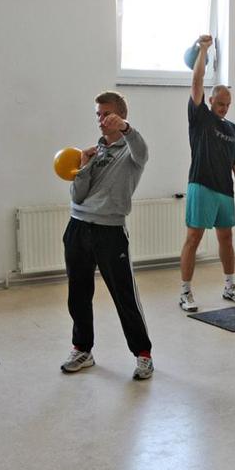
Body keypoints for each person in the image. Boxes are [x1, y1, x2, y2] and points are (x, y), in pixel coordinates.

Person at [60, 91, 154, 380]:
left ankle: (143, 354)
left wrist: (125, 128)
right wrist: (83, 166)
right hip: (78, 226)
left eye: (107, 114)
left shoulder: (131, 151)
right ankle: (82, 349)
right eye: (98, 115)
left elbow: (142, 149)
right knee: (78, 294)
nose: (101, 120)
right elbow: (77, 195)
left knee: (124, 295)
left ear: (120, 116)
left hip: (110, 231)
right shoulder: (93, 153)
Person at [178, 34, 235, 312]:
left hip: (225, 192)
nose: (224, 108)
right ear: (210, 100)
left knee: (226, 239)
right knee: (193, 238)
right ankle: (185, 292)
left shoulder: (232, 129)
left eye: (228, 105)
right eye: (220, 104)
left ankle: (230, 286)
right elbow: (196, 81)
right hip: (201, 186)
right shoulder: (200, 117)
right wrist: (203, 50)